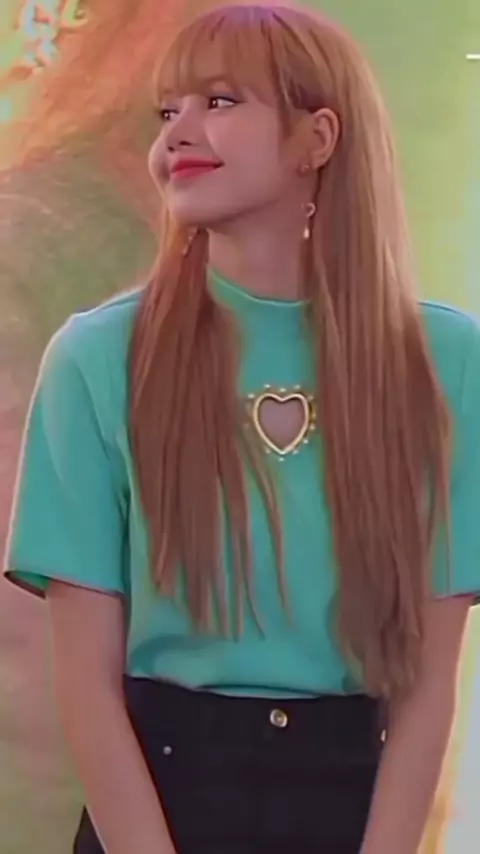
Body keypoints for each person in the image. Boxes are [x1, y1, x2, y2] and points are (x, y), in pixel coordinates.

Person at [4, 4, 480, 853]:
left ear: (317, 138)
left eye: (220, 101)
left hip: (351, 806)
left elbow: (429, 683)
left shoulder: (447, 362)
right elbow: (85, 687)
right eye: (168, 109)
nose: (178, 132)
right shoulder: (96, 357)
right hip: (152, 808)